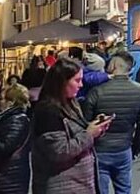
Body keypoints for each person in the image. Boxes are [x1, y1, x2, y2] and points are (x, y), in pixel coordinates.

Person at [32, 58, 112, 194]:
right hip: (62, 186)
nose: (81, 85)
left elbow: (76, 133)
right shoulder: (48, 112)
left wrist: (95, 127)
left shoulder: (70, 104)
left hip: (79, 184)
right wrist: (89, 134)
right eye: (77, 80)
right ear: (62, 82)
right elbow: (59, 151)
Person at [83, 53, 140, 194]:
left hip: (99, 150)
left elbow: (85, 123)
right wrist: (135, 149)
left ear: (113, 65)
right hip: (124, 149)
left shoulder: (97, 91)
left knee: (100, 190)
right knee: (124, 189)